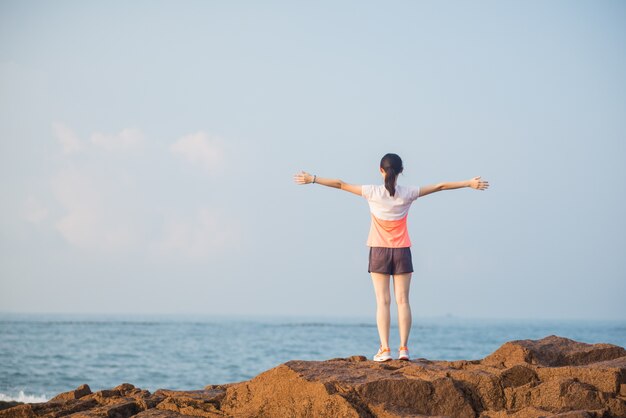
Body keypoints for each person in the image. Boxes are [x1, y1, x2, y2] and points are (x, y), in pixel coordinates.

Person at [293, 153, 489, 362]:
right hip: (402, 251)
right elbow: (440, 186)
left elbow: (341, 184)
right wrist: (468, 183)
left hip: (378, 250)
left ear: (381, 170)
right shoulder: (408, 193)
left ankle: (385, 349)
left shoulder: (372, 192)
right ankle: (403, 349)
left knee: (382, 301)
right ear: (401, 171)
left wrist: (313, 178)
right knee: (403, 300)